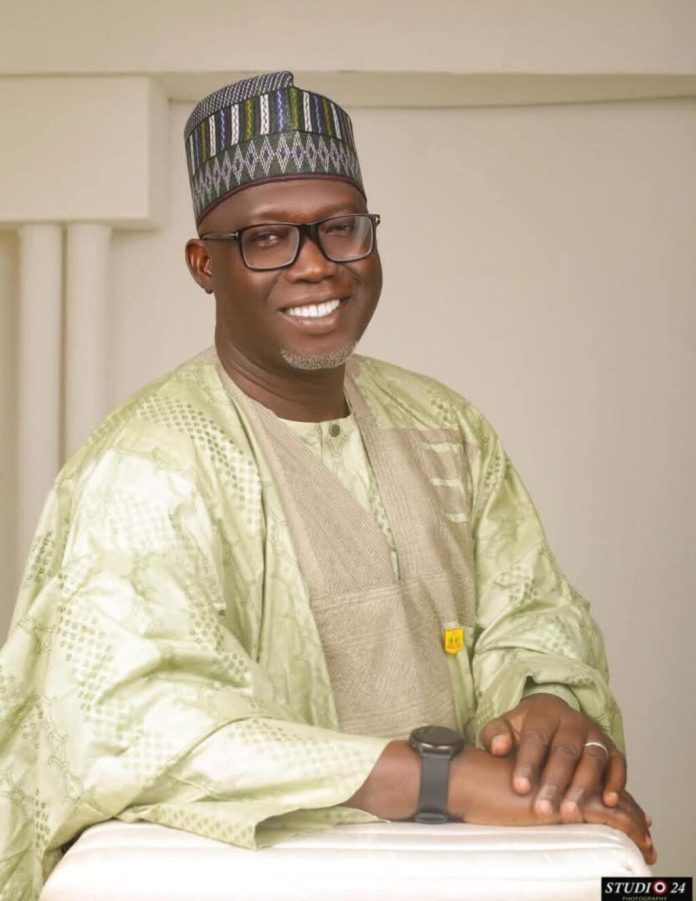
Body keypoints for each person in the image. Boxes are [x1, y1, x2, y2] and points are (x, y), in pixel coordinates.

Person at [0, 71, 654, 899]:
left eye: (340, 228)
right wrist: (438, 778)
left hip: (460, 871)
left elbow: (530, 612)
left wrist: (548, 711)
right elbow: (132, 720)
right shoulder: (148, 462)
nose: (315, 266)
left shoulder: (445, 427)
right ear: (205, 264)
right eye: (267, 238)